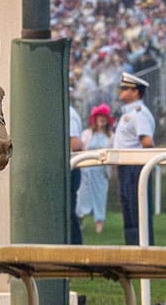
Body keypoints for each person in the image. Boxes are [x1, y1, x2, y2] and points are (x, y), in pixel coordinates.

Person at [113, 72, 155, 245]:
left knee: (138, 213)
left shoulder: (139, 113)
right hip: (126, 167)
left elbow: (147, 141)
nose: (120, 91)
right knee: (130, 213)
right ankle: (133, 250)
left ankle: (144, 251)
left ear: (135, 92)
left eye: (125, 88)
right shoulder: (129, 113)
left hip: (135, 167)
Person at [76, 103, 114, 234]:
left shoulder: (110, 136)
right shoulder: (87, 134)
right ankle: (79, 222)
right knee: (81, 197)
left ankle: (99, 225)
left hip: (101, 172)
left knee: (100, 198)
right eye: (99, 117)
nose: (102, 119)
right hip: (86, 170)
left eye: (104, 117)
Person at [69, 104, 84, 245]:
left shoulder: (69, 114)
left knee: (68, 211)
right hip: (69, 167)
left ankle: (75, 246)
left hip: (70, 168)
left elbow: (76, 144)